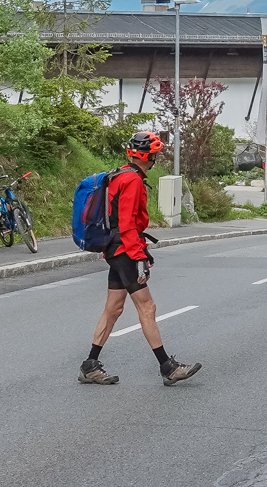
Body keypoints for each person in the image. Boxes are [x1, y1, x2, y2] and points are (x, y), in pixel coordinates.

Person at [78, 131, 202, 387]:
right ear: (151, 157)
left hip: (114, 248)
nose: (156, 157)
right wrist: (139, 257)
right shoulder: (132, 180)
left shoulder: (119, 175)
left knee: (114, 308)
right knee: (147, 307)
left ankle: (89, 366)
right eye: (155, 154)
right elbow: (127, 224)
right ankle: (167, 367)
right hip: (124, 250)